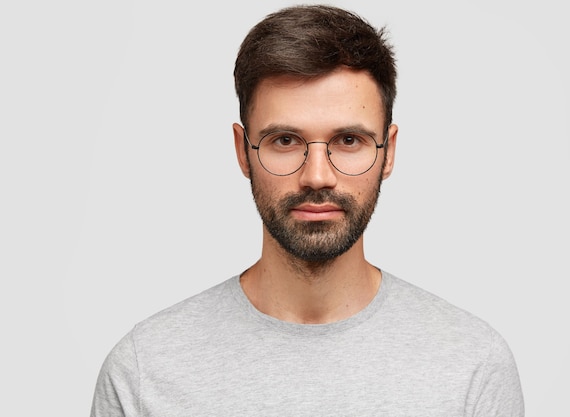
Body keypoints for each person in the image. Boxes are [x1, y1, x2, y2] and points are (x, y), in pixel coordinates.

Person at [91, 5, 524, 416]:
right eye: (285, 141)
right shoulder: (145, 370)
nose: (317, 176)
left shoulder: (471, 366)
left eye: (348, 141)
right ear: (243, 151)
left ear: (388, 152)